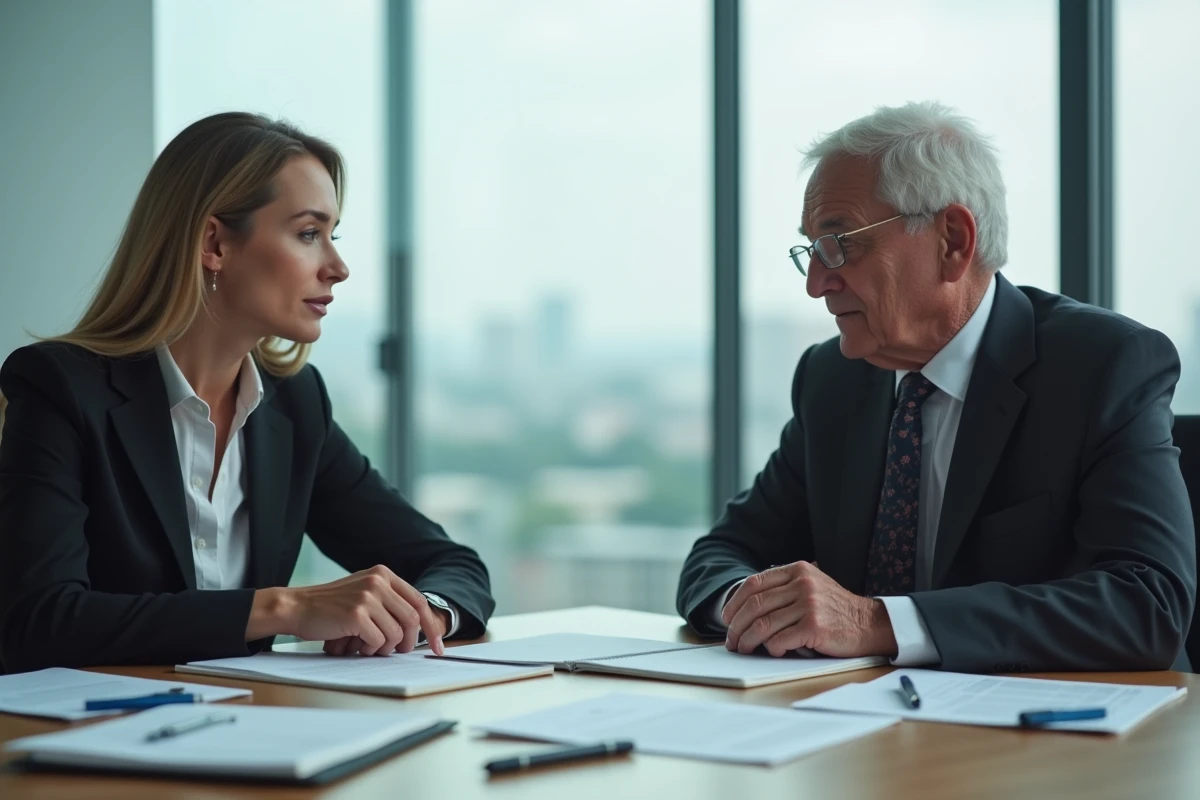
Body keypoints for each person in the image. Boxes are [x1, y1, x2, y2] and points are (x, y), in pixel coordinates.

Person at [677, 101, 1195, 673]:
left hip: (1052, 743)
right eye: (812, 249)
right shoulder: (832, 380)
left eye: (840, 243)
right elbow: (720, 555)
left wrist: (876, 623)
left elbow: (1147, 604)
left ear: (952, 240)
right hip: (863, 734)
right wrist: (753, 609)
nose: (817, 283)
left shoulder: (1103, 366)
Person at [0, 112, 494, 673]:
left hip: (251, 732)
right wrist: (284, 608)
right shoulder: (61, 388)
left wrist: (417, 614)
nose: (338, 267)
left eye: (333, 236)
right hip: (91, 741)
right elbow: (37, 620)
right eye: (309, 234)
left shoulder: (295, 404)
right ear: (214, 243)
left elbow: (451, 564)